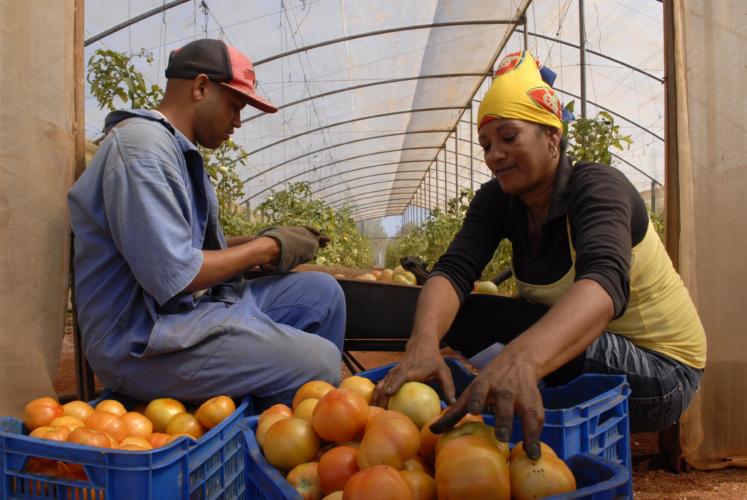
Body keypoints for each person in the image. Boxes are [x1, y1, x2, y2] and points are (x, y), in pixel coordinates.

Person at [372, 51, 706, 460]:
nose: (494, 154)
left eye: (509, 138)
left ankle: (525, 388)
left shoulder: (599, 187)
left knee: (519, 343)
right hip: (595, 348)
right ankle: (504, 399)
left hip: (663, 373)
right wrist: (422, 343)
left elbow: (603, 284)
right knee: (470, 314)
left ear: (552, 135)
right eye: (486, 144)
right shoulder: (497, 200)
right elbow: (454, 271)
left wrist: (524, 359)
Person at [68, 39, 345, 408]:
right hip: (144, 340)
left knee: (324, 295)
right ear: (200, 87)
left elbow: (183, 245)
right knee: (321, 363)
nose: (238, 122)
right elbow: (177, 275)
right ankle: (254, 435)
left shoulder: (175, 150)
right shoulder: (141, 152)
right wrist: (269, 248)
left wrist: (263, 238)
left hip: (191, 312)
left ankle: (274, 414)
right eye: (235, 106)